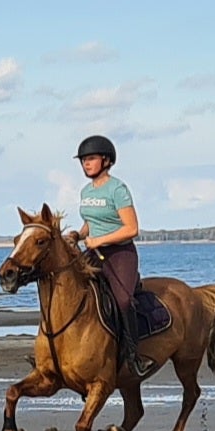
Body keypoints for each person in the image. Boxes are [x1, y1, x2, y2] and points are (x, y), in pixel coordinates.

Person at [72, 134, 149, 376]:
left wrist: (100, 240)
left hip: (120, 253)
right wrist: (78, 234)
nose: (86, 163)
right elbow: (90, 223)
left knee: (123, 300)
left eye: (91, 158)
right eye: (83, 159)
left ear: (106, 161)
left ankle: (135, 355)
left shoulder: (118, 189)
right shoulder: (85, 191)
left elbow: (131, 228)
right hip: (94, 251)